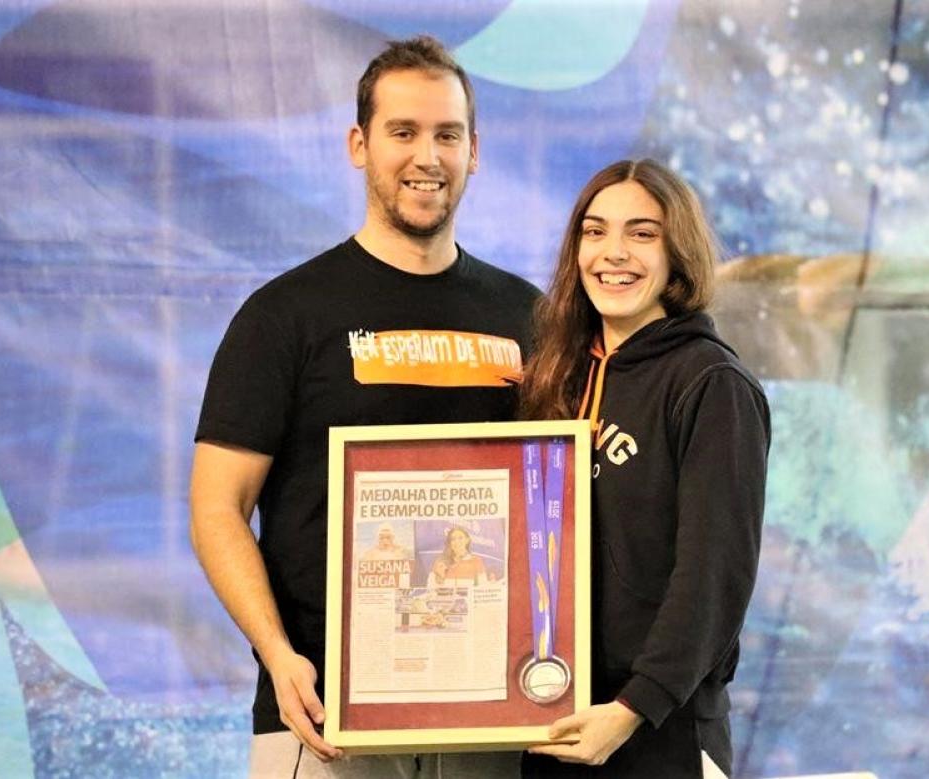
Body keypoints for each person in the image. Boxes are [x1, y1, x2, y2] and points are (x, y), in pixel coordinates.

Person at [189, 35, 540, 777]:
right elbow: (218, 506)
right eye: (403, 132)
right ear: (360, 144)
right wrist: (278, 655)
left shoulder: (528, 317)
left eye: (447, 134)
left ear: (474, 150)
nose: (427, 157)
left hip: (492, 713)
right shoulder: (283, 316)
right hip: (324, 713)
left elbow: (561, 505)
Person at [520, 159, 770, 777]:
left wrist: (636, 705)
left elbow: (714, 575)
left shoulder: (712, 384)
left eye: (641, 233)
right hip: (554, 719)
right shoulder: (557, 376)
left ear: (676, 252)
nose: (614, 253)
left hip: (662, 727)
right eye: (595, 231)